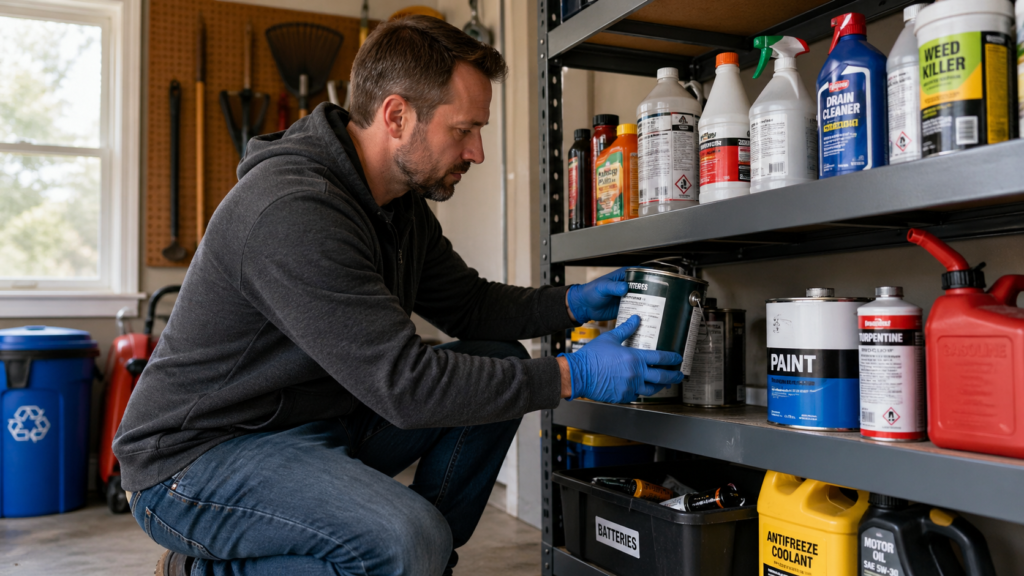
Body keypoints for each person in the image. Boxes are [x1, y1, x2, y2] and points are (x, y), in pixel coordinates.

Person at [114, 15, 682, 576]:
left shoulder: (396, 205)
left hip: (312, 422)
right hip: (194, 460)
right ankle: (198, 572)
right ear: (396, 115)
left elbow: (469, 307)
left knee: (498, 361)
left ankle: (417, 564)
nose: (477, 152)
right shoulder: (291, 210)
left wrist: (573, 303)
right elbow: (406, 387)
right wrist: (570, 375)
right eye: (464, 130)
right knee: (409, 539)